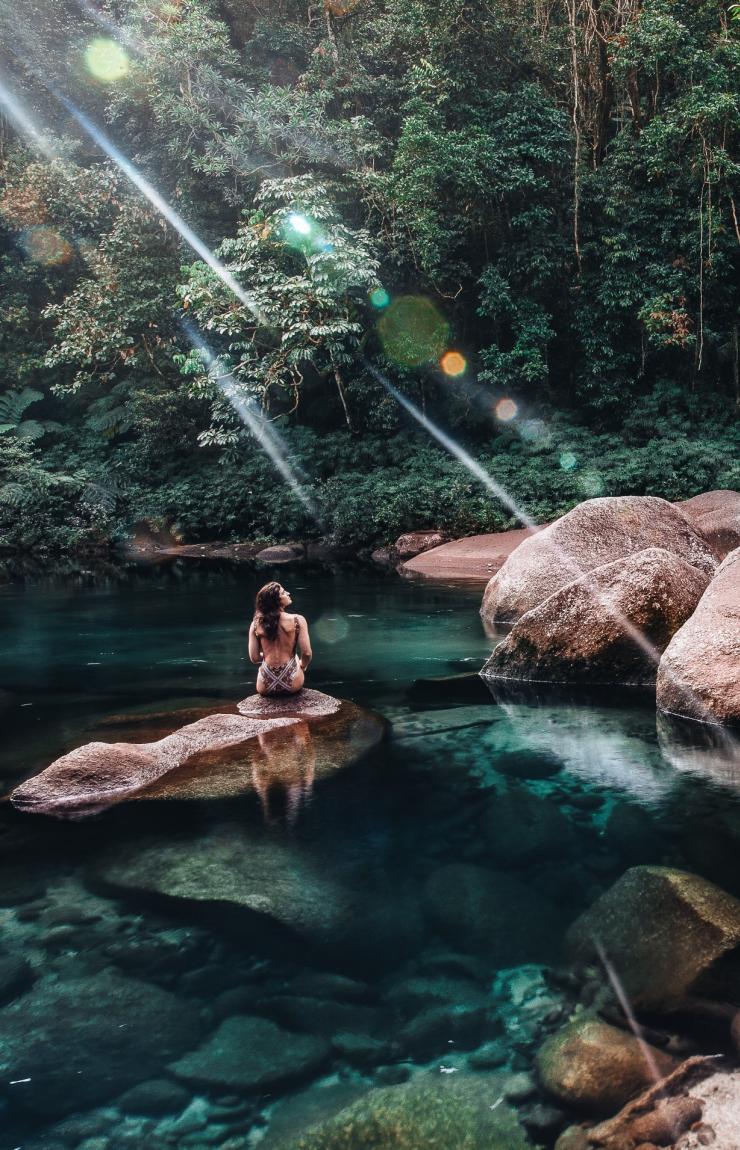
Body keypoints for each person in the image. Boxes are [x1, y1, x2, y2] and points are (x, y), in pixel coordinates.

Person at [248, 581, 312, 696]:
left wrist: (267, 655)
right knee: (295, 656)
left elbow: (254, 658)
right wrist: (302, 666)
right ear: (276, 601)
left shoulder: (256, 623)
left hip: (265, 685)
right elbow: (307, 653)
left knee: (266, 661)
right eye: (283, 593)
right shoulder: (298, 620)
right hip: (292, 683)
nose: (288, 593)